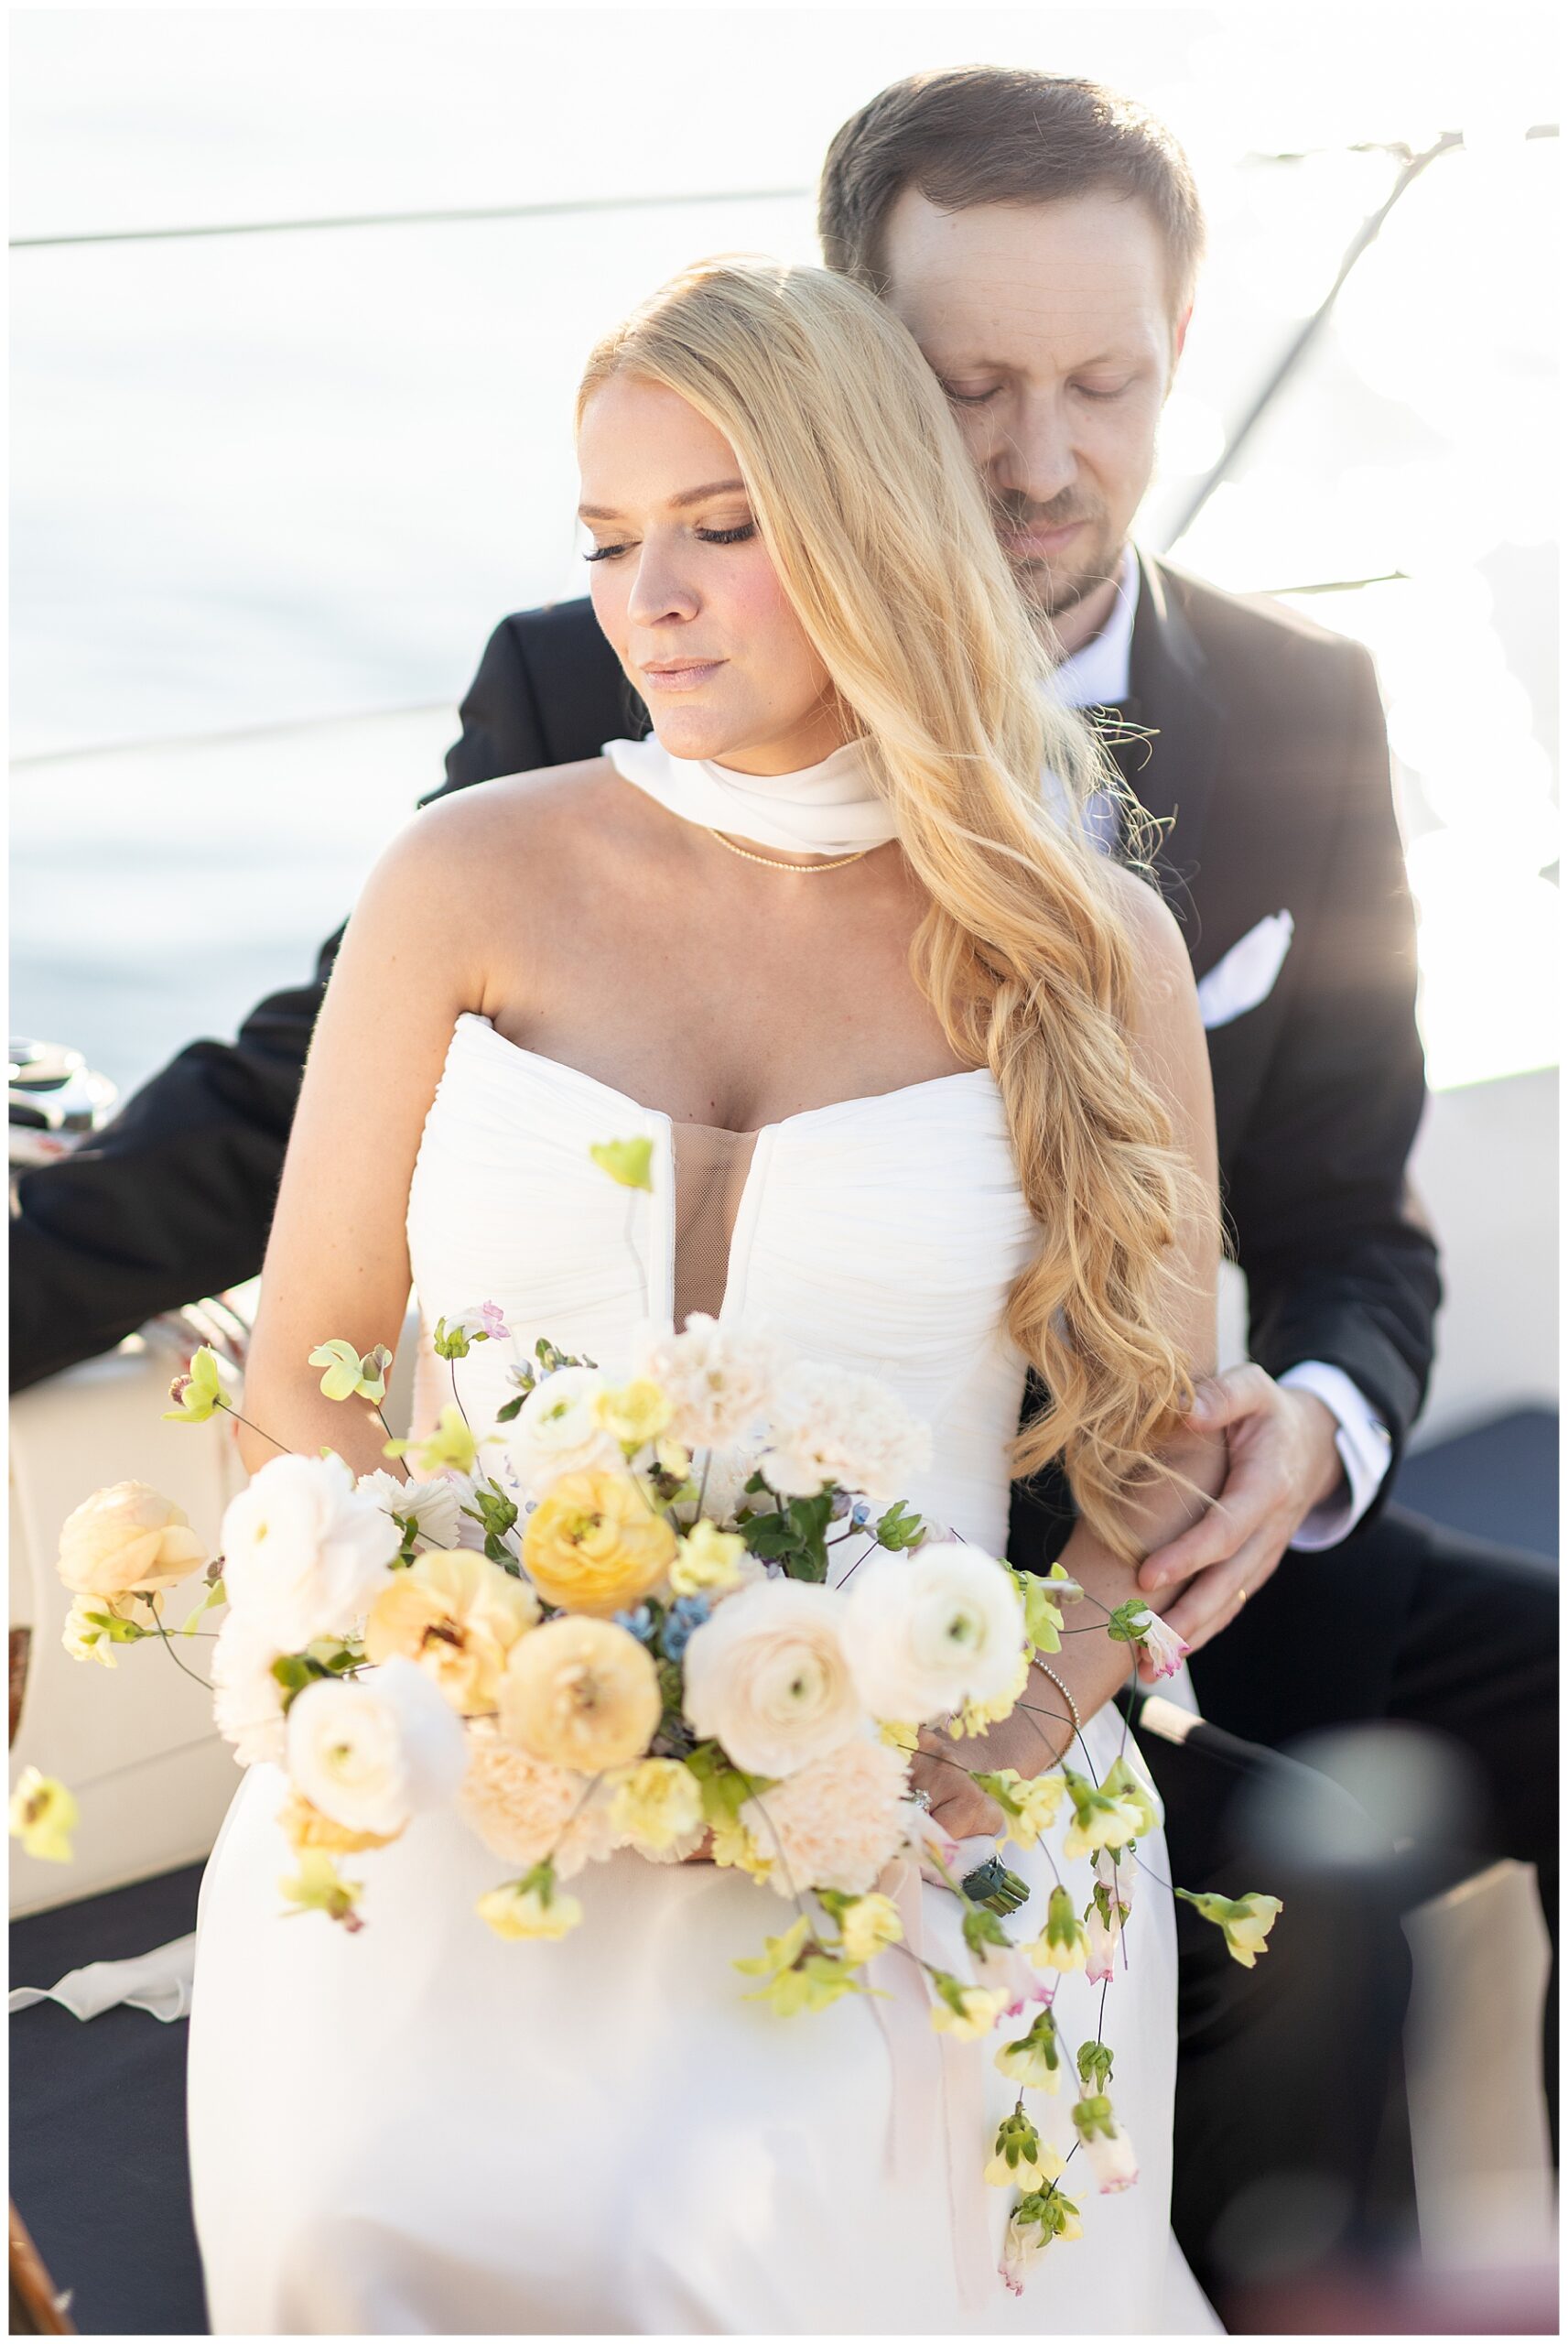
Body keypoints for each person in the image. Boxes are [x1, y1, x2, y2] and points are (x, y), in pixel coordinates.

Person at [13, 60, 1553, 2295]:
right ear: (857, 391)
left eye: (1103, 381)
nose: (1037, 455)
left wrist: (1292, 1439)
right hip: (593, 1667)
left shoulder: (1288, 711)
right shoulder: (553, 740)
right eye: (973, 386)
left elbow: (1340, 1212)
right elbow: (311, 1128)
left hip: (1112, 1583)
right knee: (1259, 1946)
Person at [189, 255, 1226, 2333]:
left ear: (858, 522)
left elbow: (1150, 1466)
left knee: (737, 2235)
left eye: (717, 531)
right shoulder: (467, 876)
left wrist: (982, 1744)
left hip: (915, 1802)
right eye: (603, 542)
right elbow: (306, 1364)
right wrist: (475, 1689)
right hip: (455, 1763)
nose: (643, 598)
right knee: (351, 2212)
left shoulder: (1076, 942)